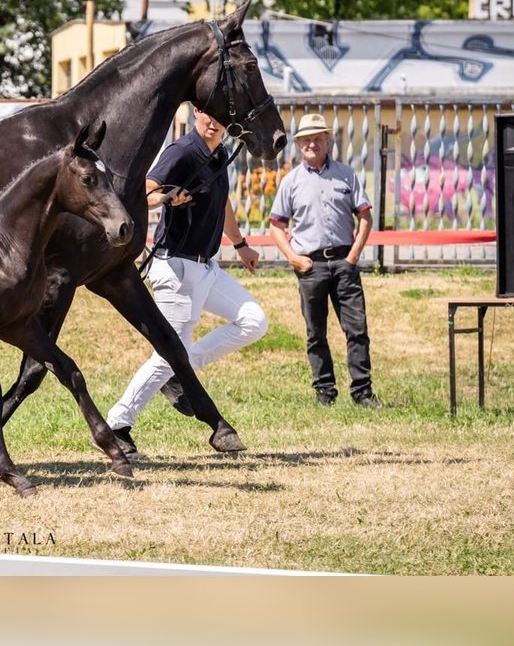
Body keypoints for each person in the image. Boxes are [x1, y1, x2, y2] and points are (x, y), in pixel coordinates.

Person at [105, 106, 268, 459]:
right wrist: (167, 197)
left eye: (219, 117)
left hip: (206, 268)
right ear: (196, 113)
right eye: (206, 114)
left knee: (254, 321)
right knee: (167, 355)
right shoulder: (181, 151)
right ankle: (116, 425)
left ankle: (183, 370)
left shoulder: (219, 153)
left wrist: (240, 244)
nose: (213, 122)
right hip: (176, 267)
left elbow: (223, 203)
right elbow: (142, 194)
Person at [268, 112, 383, 409]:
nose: (312, 144)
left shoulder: (346, 175)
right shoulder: (291, 182)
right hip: (310, 266)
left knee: (357, 330)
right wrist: (293, 258)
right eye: (306, 139)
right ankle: (324, 391)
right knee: (315, 332)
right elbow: (276, 225)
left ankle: (362, 392)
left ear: (328, 141)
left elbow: (365, 217)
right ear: (298, 144)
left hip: (344, 263)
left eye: (318, 138)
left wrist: (353, 256)